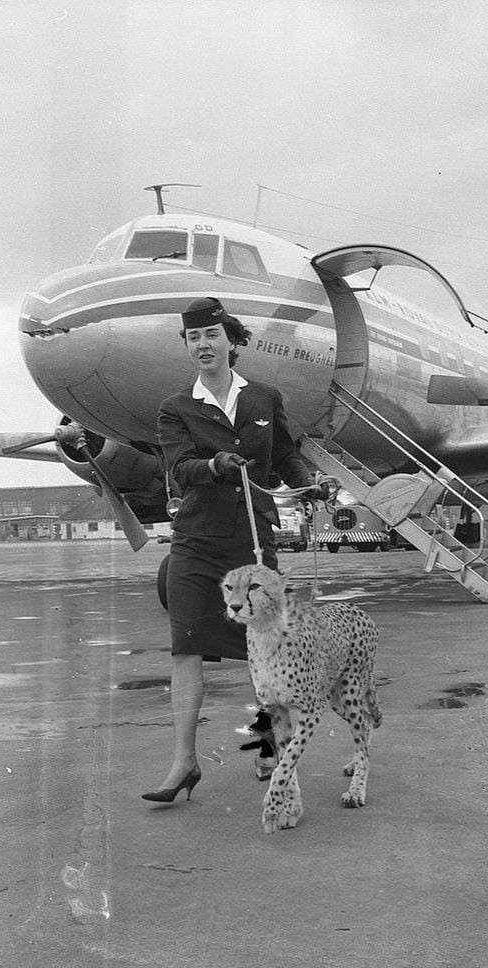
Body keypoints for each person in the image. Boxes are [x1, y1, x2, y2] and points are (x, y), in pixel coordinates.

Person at [142, 297, 326, 804]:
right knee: (185, 650)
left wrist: (306, 484)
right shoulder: (175, 408)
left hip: (251, 543)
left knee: (265, 651)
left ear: (232, 340)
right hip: (196, 545)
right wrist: (214, 466)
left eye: (211, 335)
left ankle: (267, 749)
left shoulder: (264, 397)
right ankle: (183, 763)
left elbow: (286, 454)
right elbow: (179, 468)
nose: (202, 345)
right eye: (192, 338)